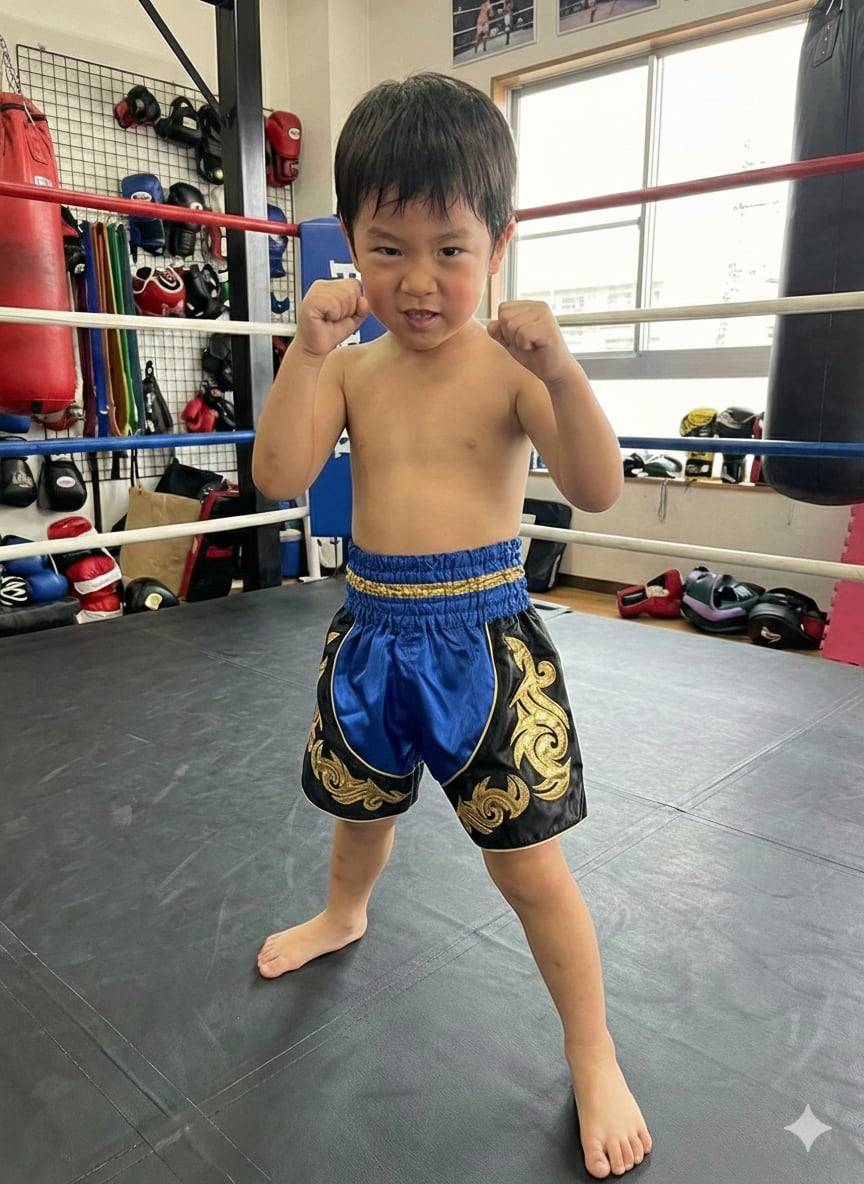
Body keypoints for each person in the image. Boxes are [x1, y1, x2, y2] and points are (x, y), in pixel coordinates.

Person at [252, 72, 652, 1180]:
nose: (418, 281)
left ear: (499, 244)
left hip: (486, 647)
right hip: (373, 636)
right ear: (349, 244)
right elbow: (279, 474)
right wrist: (304, 353)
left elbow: (597, 487)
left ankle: (592, 1049)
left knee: (530, 870)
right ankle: (344, 914)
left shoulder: (510, 372)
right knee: (359, 815)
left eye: (450, 250)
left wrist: (561, 368)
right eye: (388, 249)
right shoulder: (352, 371)